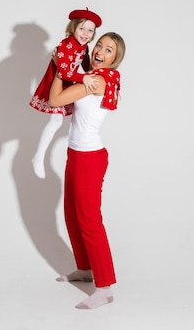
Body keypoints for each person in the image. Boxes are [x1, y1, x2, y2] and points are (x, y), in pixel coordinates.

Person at [48, 32, 125, 310]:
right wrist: (68, 67)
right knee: (72, 214)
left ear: (115, 60)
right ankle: (85, 271)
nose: (101, 51)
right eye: (100, 46)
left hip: (90, 158)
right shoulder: (87, 76)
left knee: (90, 222)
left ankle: (104, 288)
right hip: (76, 153)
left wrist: (60, 68)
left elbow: (55, 100)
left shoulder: (97, 81)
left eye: (109, 50)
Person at [29, 8, 102, 179]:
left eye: (90, 31)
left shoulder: (84, 47)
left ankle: (64, 144)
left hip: (70, 83)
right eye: (81, 29)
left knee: (76, 114)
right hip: (58, 84)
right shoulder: (65, 45)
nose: (85, 34)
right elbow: (63, 72)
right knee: (55, 121)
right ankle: (38, 156)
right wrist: (83, 78)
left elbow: (85, 65)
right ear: (73, 28)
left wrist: (90, 74)